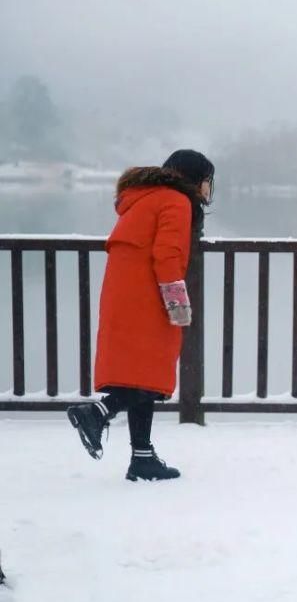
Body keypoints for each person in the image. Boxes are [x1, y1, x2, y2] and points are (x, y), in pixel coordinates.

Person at [66, 150, 215, 482]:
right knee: (149, 372)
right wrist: (178, 305)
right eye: (207, 179)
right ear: (194, 178)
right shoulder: (176, 201)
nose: (208, 188)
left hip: (123, 294)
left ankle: (142, 457)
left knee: (140, 375)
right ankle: (97, 412)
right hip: (148, 296)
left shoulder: (145, 197)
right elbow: (168, 254)